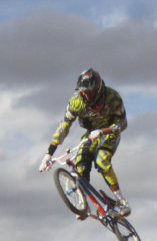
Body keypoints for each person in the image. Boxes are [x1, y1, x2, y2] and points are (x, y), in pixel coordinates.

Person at [38, 68, 130, 218]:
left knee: (101, 161)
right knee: (79, 165)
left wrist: (103, 131)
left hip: (110, 132)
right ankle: (82, 204)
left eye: (90, 92)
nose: (86, 95)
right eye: (83, 92)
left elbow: (123, 124)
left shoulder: (113, 97)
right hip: (91, 134)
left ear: (99, 89)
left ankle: (121, 201)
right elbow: (64, 127)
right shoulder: (76, 102)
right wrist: (48, 154)